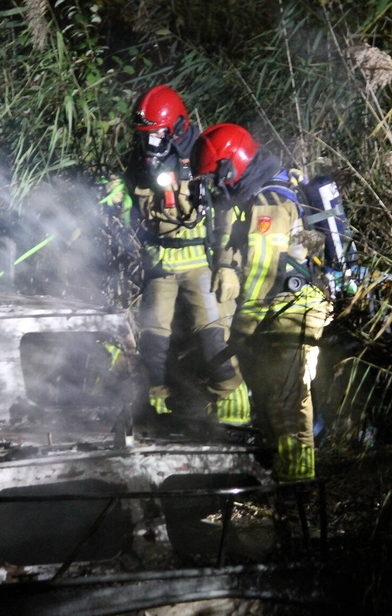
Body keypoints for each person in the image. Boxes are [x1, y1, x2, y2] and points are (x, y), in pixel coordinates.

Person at [190, 123, 355, 480]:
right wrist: (227, 268)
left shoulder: (270, 203)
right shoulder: (254, 192)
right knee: (270, 390)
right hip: (280, 302)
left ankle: (298, 481)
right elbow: (236, 244)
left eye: (215, 177)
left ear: (230, 168)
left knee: (286, 396)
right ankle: (280, 465)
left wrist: (239, 333)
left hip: (293, 305)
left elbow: (265, 273)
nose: (215, 187)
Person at [120, 85, 249, 425]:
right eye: (143, 137)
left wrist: (226, 266)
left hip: (199, 264)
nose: (149, 146)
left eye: (156, 136)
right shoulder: (137, 165)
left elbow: (226, 215)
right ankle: (157, 403)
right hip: (159, 266)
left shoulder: (203, 156)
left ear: (176, 129)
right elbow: (131, 213)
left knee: (212, 333)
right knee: (152, 336)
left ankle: (233, 403)